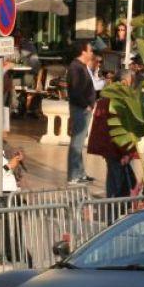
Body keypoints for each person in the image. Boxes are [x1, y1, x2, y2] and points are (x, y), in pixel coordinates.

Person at [88, 74, 137, 198]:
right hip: (116, 147)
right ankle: (117, 207)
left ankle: (111, 204)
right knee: (119, 180)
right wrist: (126, 151)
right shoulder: (117, 101)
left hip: (107, 146)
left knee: (112, 177)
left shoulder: (104, 99)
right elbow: (119, 128)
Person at [65, 41, 97, 184]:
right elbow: (76, 91)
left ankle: (81, 172)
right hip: (80, 109)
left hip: (83, 109)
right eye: (90, 50)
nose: (91, 53)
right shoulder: (75, 67)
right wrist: (86, 105)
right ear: (83, 52)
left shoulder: (82, 66)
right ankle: (73, 175)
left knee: (80, 142)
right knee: (77, 143)